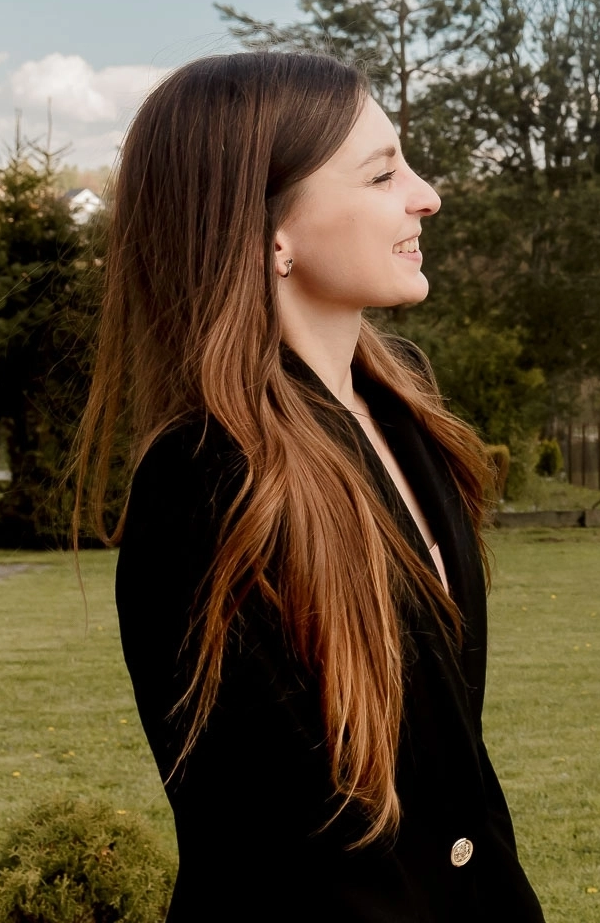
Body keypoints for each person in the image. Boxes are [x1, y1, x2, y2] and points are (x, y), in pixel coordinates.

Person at [76, 53, 545, 923]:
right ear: (269, 231)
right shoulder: (209, 485)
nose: (427, 196)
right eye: (382, 174)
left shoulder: (407, 424)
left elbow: (458, 782)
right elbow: (280, 843)